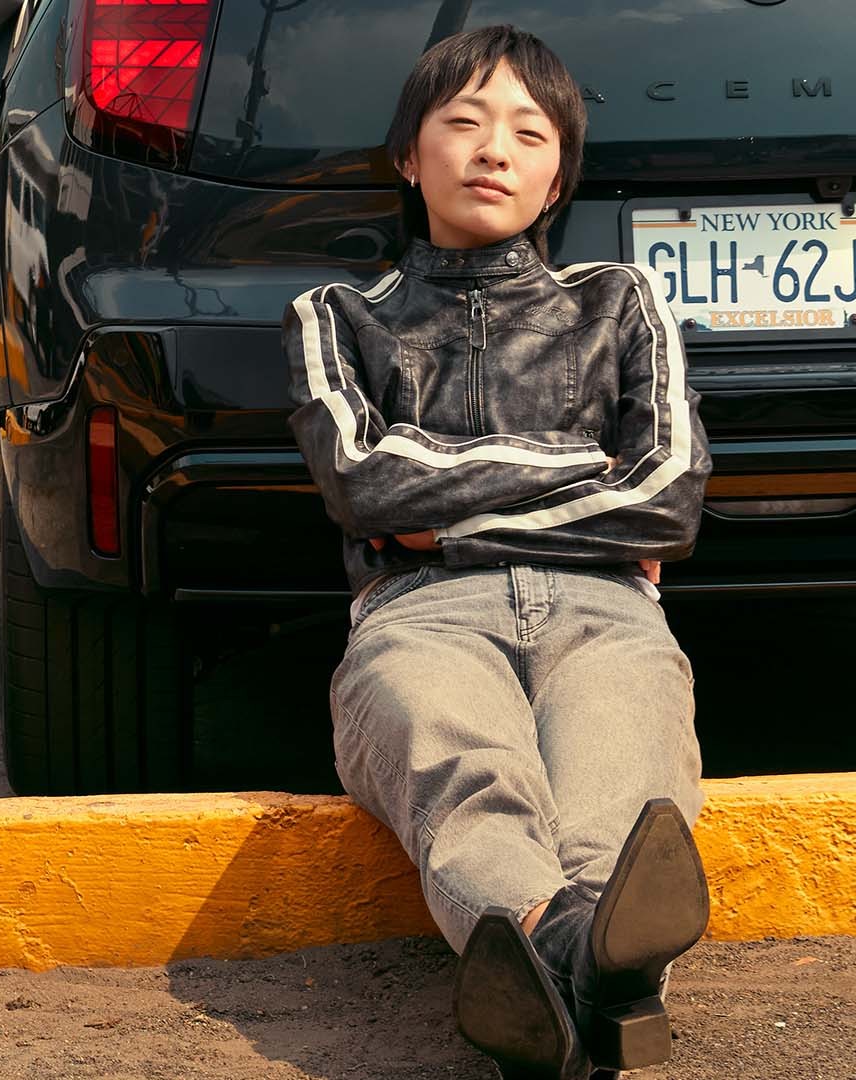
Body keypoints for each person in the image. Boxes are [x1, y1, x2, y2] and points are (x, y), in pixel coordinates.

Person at [280, 25, 714, 1080]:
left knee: (620, 781)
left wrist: (450, 511)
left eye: (527, 131)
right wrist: (575, 469)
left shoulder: (620, 303)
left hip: (603, 608)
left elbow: (666, 499)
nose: (493, 149)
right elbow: (363, 484)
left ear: (557, 170)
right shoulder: (334, 318)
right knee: (463, 764)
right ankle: (588, 959)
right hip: (419, 614)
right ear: (408, 155)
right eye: (463, 123)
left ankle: (557, 960)